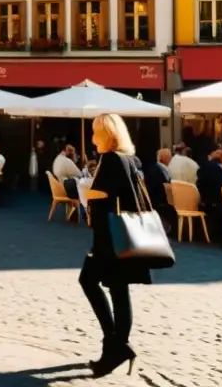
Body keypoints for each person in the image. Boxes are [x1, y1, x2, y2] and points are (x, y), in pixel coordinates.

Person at [80, 114, 148, 377]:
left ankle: (115, 343)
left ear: (107, 134)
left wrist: (90, 197)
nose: (93, 137)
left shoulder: (109, 160)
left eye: (96, 132)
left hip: (109, 238)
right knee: (120, 289)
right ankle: (116, 346)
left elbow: (102, 200)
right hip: (125, 234)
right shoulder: (129, 159)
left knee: (89, 281)